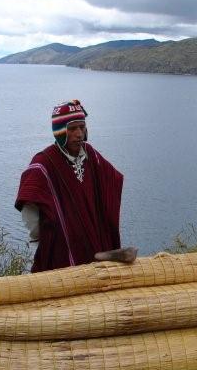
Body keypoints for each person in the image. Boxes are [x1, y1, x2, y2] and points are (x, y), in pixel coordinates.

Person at [15, 100, 136, 272]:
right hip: (61, 249)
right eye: (72, 129)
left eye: (82, 127)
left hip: (95, 243)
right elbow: (29, 203)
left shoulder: (91, 155)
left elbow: (112, 182)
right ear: (60, 132)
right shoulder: (44, 163)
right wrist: (42, 238)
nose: (79, 134)